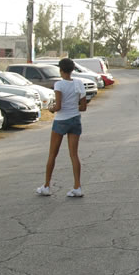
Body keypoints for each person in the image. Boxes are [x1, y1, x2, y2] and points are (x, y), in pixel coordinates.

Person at [36, 58, 87, 197]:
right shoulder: (79, 83)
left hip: (61, 121)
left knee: (53, 154)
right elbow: (83, 107)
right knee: (74, 154)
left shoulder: (59, 84)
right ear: (72, 70)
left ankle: (46, 186)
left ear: (61, 70)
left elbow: (58, 106)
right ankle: (77, 187)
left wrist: (51, 109)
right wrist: (72, 106)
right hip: (75, 119)